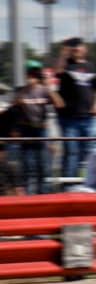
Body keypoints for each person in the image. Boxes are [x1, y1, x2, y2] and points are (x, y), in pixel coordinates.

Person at [55, 37, 96, 180]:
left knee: (89, 151)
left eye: (79, 46)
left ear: (85, 49)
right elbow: (57, 71)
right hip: (69, 118)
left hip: (88, 118)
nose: (76, 49)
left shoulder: (92, 68)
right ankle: (69, 184)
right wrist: (63, 53)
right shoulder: (66, 66)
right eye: (74, 47)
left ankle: (88, 181)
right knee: (72, 152)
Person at [9, 66, 61, 194]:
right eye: (28, 76)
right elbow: (12, 103)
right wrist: (24, 91)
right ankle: (29, 195)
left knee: (43, 165)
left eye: (33, 76)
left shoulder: (44, 90)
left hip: (41, 129)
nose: (30, 79)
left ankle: (44, 194)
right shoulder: (22, 90)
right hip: (26, 129)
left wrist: (48, 88)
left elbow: (60, 104)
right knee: (28, 164)